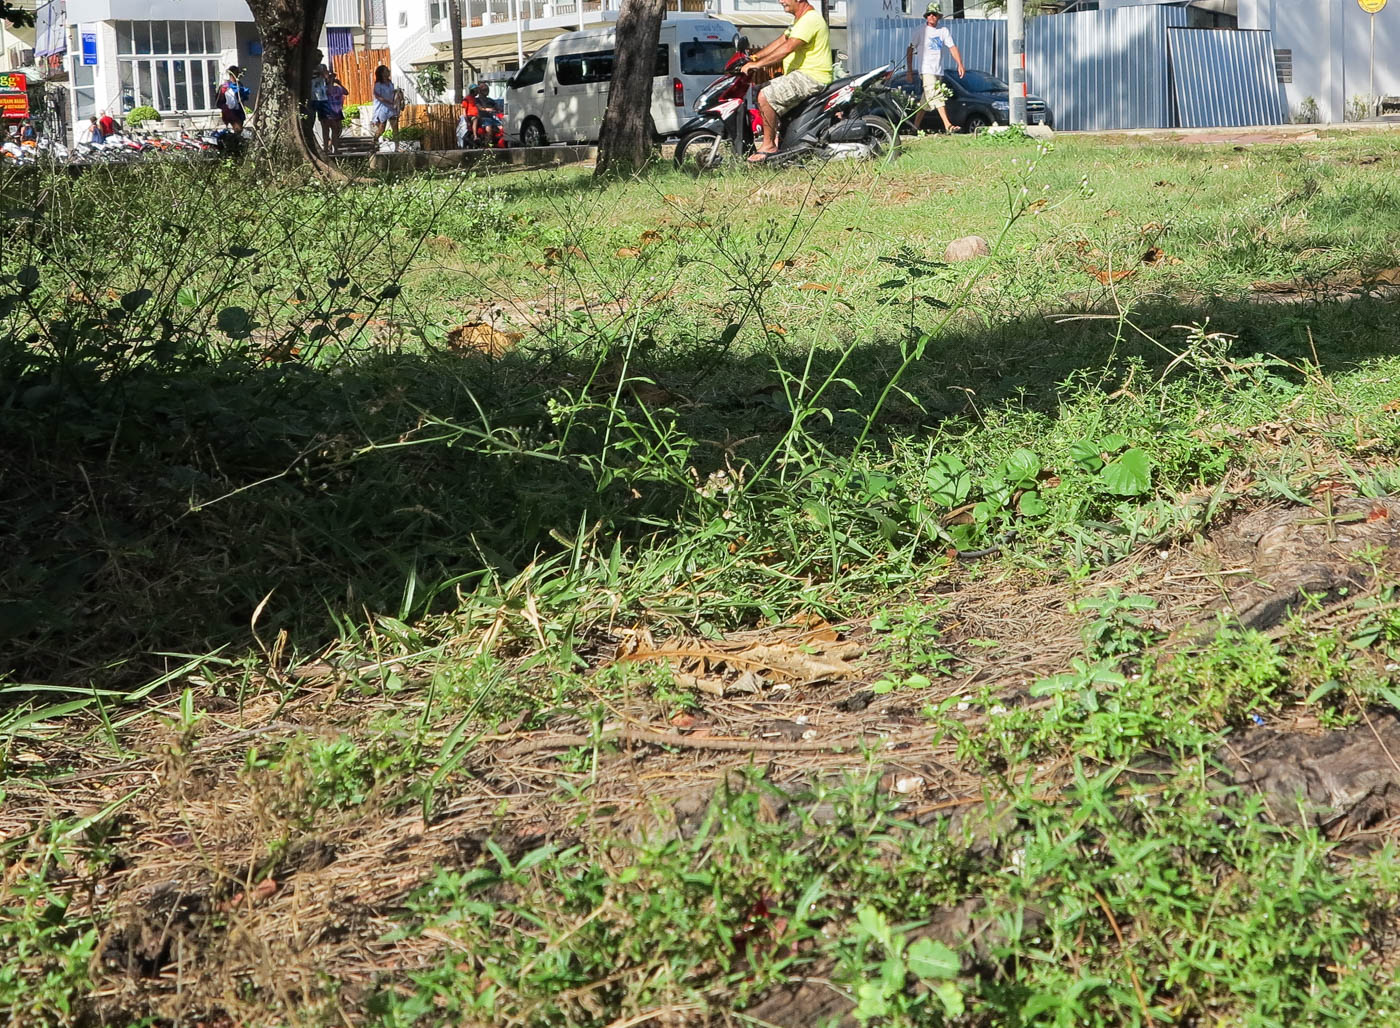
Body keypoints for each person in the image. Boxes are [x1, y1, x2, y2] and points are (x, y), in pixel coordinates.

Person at [737, 0, 833, 162]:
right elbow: (781, 41)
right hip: (800, 75)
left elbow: (788, 47)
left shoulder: (810, 20)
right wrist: (753, 57)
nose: (781, 1)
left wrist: (758, 65)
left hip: (812, 76)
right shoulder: (798, 20)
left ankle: (768, 145)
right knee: (759, 89)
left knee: (765, 96)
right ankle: (780, 141)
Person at [905, 3, 964, 134]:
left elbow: (952, 47)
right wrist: (909, 71)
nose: (931, 16)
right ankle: (948, 125)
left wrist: (960, 64)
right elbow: (910, 49)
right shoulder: (920, 31)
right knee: (937, 95)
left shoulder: (943, 31)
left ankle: (914, 128)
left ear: (939, 16)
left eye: (934, 14)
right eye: (929, 14)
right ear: (926, 16)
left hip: (938, 70)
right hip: (926, 70)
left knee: (926, 101)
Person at [370, 64, 400, 150]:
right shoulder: (378, 84)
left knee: (395, 128)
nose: (388, 72)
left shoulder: (390, 83)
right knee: (382, 128)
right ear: (382, 73)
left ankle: (397, 147)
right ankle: (374, 141)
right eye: (386, 71)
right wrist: (387, 101)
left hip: (391, 108)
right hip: (382, 108)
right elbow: (378, 96)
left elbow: (392, 93)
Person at [321, 69, 348, 154]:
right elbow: (328, 92)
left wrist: (339, 83)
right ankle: (326, 148)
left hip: (337, 111)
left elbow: (346, 92)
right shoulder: (324, 88)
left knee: (336, 130)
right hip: (327, 111)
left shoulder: (338, 88)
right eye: (330, 77)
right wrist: (329, 82)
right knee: (326, 131)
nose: (332, 79)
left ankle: (335, 148)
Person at [216, 66, 250, 134]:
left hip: (239, 112)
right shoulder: (225, 86)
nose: (236, 76)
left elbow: (242, 98)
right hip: (229, 113)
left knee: (239, 131)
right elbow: (219, 102)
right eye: (235, 73)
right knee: (235, 129)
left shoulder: (239, 85)